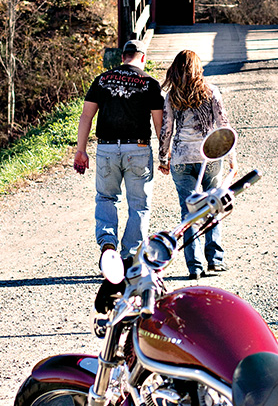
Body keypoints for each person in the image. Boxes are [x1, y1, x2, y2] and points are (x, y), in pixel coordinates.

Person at [74, 40, 164, 273]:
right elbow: (158, 123)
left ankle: (107, 245)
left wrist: (81, 150)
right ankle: (129, 256)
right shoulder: (149, 83)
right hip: (138, 149)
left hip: (106, 148)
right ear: (142, 58)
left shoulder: (102, 80)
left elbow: (86, 116)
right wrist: (165, 154)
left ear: (122, 57)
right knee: (139, 205)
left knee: (105, 198)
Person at [158, 50, 235, 280]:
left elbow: (166, 130)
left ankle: (195, 267)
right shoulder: (211, 92)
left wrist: (164, 159)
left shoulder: (172, 96)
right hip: (209, 157)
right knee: (214, 205)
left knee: (189, 211)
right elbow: (224, 126)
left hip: (181, 159)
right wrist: (232, 159)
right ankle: (216, 260)